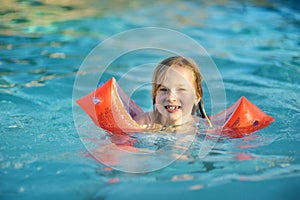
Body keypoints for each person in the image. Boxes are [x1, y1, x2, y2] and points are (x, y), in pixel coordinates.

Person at [134, 56, 212, 131]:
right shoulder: (143, 123)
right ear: (155, 94)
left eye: (181, 90)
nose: (171, 98)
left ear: (197, 96)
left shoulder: (203, 126)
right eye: (164, 89)